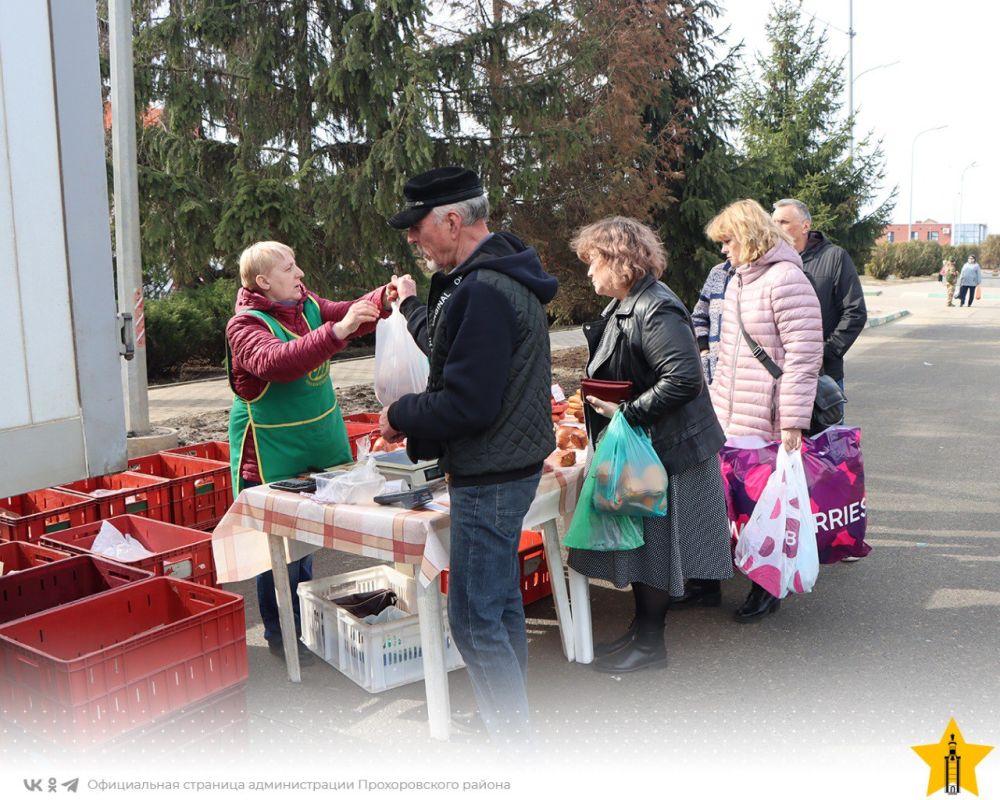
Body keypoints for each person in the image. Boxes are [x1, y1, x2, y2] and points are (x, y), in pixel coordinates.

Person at [378, 166, 558, 741]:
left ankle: (512, 746)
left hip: (492, 472)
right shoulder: (491, 276)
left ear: (452, 221)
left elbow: (466, 404)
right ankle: (508, 724)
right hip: (508, 464)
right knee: (499, 605)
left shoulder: (482, 288)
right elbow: (453, 348)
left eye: (417, 226)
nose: (412, 238)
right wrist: (411, 307)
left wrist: (399, 414)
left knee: (475, 619)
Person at [567, 217, 733, 673]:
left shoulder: (655, 307)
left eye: (593, 262)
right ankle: (642, 632)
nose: (588, 273)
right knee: (644, 546)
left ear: (619, 261)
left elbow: (683, 379)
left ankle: (651, 645)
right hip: (651, 445)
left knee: (654, 549)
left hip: (665, 449)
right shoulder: (630, 303)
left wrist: (626, 413)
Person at [227, 240, 397, 663]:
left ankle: (305, 625)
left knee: (305, 546)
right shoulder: (244, 325)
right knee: (279, 554)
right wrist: (337, 333)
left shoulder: (307, 305)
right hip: (270, 451)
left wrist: (382, 298)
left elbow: (345, 314)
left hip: (318, 445)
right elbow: (276, 362)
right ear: (264, 281)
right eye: (290, 267)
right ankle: (282, 634)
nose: (300, 273)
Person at [706, 199, 823, 622]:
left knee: (763, 507)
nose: (724, 250)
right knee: (731, 504)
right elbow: (728, 354)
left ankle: (766, 586)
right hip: (729, 416)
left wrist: (792, 422)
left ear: (750, 237)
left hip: (767, 420)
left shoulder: (787, 279)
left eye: (729, 240)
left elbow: (804, 356)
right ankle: (716, 578)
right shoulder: (739, 281)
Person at [771, 199, 867, 392]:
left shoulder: (834, 257)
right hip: (779, 375)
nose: (776, 228)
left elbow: (855, 312)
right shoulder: (770, 261)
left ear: (805, 226)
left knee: (827, 424)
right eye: (773, 222)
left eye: (783, 222)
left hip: (823, 376)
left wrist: (825, 352)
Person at [690, 260, 734, 384]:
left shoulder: (771, 275)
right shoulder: (718, 273)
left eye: (728, 241)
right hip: (714, 377)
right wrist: (704, 351)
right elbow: (699, 317)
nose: (723, 250)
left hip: (749, 382)